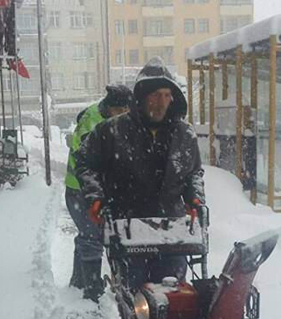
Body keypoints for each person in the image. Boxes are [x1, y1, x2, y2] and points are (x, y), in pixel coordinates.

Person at [75, 57, 205, 293]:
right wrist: (95, 195)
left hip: (171, 233)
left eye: (166, 95)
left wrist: (194, 196)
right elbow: (84, 162)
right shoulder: (112, 131)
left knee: (173, 297)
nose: (161, 103)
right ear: (142, 97)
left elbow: (194, 172)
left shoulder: (184, 135)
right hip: (127, 230)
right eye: (155, 95)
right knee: (135, 301)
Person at [65, 84, 133, 300]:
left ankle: (78, 281)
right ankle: (92, 291)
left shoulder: (110, 118)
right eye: (120, 110)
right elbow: (91, 163)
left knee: (87, 235)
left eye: (127, 111)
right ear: (110, 107)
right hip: (80, 190)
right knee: (92, 236)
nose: (124, 115)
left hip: (91, 190)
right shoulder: (92, 124)